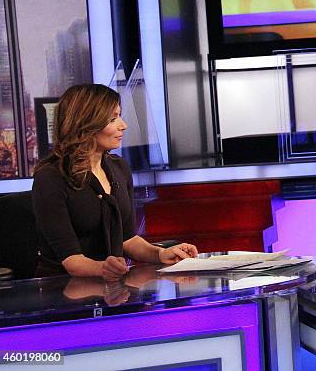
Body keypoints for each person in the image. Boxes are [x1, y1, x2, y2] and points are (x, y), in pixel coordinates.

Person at [32, 84, 198, 280]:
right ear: (86, 124)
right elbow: (72, 262)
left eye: (119, 116)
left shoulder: (118, 168)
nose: (123, 125)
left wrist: (160, 254)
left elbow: (127, 239)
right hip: (62, 290)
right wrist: (105, 268)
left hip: (111, 285)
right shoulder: (51, 178)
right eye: (113, 119)